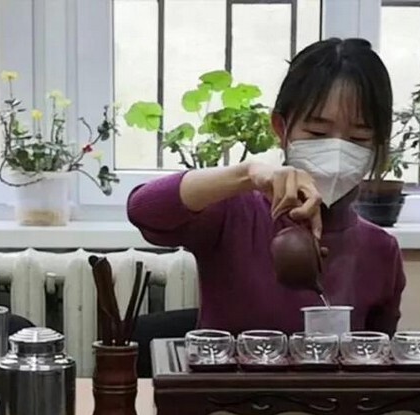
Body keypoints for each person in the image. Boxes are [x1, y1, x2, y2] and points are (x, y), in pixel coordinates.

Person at [127, 38, 405, 334]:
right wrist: (248, 174)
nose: (337, 152)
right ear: (280, 128)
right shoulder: (233, 214)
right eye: (317, 132)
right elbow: (144, 209)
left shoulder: (381, 250)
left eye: (359, 138)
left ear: (378, 144)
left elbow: (377, 353)